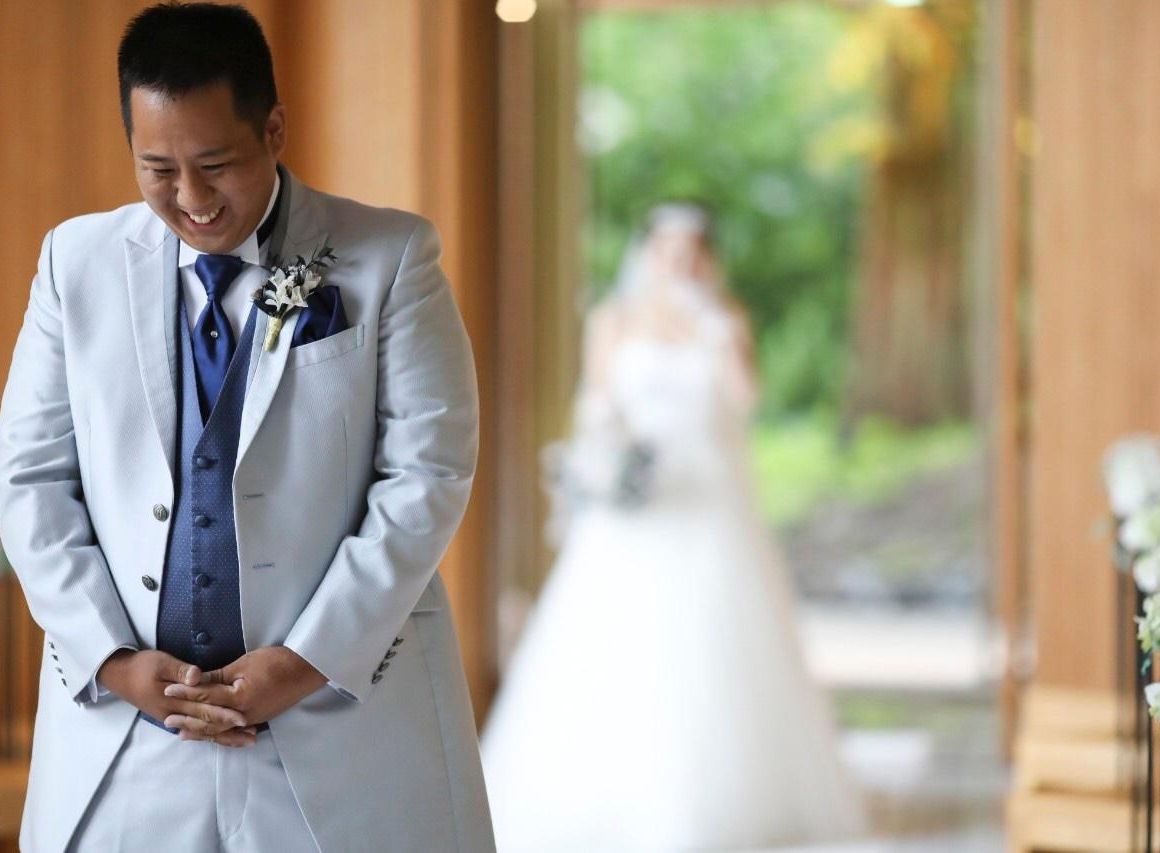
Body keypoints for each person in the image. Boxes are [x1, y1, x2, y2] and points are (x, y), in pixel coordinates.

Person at [0, 4, 493, 851]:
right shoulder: (72, 263)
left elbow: (427, 475)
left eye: (215, 165)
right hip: (127, 738)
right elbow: (28, 477)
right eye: (158, 168)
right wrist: (115, 661)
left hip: (341, 728)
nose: (191, 198)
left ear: (273, 130)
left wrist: (302, 663)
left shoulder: (392, 257)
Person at [482, 202, 865, 850]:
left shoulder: (724, 319)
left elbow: (745, 402)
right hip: (635, 499)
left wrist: (720, 335)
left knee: (713, 639)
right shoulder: (614, 319)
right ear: (649, 254)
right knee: (618, 641)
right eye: (667, 249)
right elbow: (597, 403)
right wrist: (604, 459)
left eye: (692, 251)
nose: (679, 262)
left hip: (708, 496)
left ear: (708, 258)